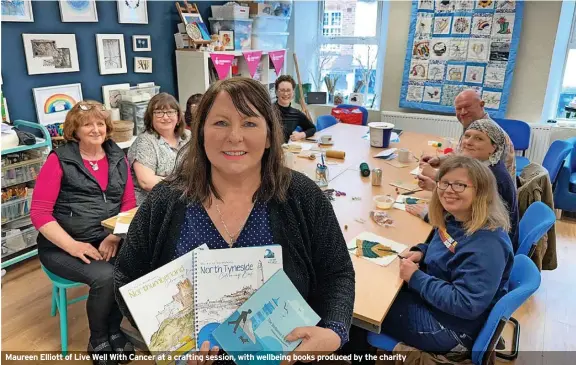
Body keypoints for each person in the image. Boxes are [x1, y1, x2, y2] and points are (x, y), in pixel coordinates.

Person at [113, 77, 354, 364]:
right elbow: (126, 276)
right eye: (220, 123)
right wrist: (168, 345)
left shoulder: (301, 195)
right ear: (200, 132)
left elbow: (337, 272)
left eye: (249, 123)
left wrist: (334, 331)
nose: (234, 136)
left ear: (269, 136)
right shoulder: (166, 200)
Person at [31, 100, 136, 363]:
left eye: (100, 123)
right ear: (74, 130)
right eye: (87, 124)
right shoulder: (59, 160)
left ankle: (114, 329)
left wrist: (114, 236)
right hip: (61, 246)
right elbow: (40, 213)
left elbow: (128, 204)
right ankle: (98, 338)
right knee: (106, 276)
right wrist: (74, 246)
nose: (95, 129)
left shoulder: (117, 156)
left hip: (107, 238)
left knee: (135, 266)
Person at [383, 156, 514, 353]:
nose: (448, 190)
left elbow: (466, 304)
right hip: (439, 306)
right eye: (444, 183)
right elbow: (447, 247)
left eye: (460, 185)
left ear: (481, 192)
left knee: (367, 308)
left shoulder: (488, 245)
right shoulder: (456, 218)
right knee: (377, 290)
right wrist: (422, 252)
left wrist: (416, 277)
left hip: (452, 328)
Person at [411, 119, 519, 249]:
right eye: (467, 136)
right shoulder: (481, 167)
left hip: (477, 246)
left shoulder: (494, 177)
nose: (468, 142)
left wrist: (429, 216)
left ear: (494, 147)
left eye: (479, 138)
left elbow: (470, 223)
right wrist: (435, 187)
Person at [421, 89, 516, 181]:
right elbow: (462, 155)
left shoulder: (491, 133)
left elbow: (476, 179)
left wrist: (435, 176)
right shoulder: (473, 126)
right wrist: (439, 160)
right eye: (458, 108)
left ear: (481, 105)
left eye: (467, 107)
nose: (463, 112)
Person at [127, 92, 191, 205]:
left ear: (178, 116)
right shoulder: (145, 141)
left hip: (185, 200)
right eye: (159, 113)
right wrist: (184, 185)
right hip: (154, 205)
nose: (165, 117)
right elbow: (146, 182)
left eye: (170, 112)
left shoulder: (188, 136)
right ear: (150, 117)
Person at [274, 75, 316, 142]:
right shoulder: (268, 111)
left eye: (288, 90)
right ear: (276, 92)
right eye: (282, 90)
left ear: (293, 92)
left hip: (286, 150)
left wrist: (301, 135)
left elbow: (312, 128)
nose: (285, 94)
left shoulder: (296, 114)